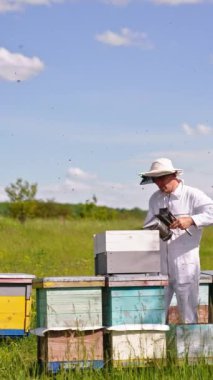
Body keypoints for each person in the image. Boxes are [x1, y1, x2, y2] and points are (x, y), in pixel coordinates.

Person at [140, 157, 213, 323]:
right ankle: (157, 347)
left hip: (185, 263)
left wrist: (192, 220)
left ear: (173, 175)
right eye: (155, 180)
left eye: (162, 178)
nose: (159, 183)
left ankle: (191, 348)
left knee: (187, 313)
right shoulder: (155, 198)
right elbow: (148, 224)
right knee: (155, 313)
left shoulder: (192, 194)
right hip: (159, 264)